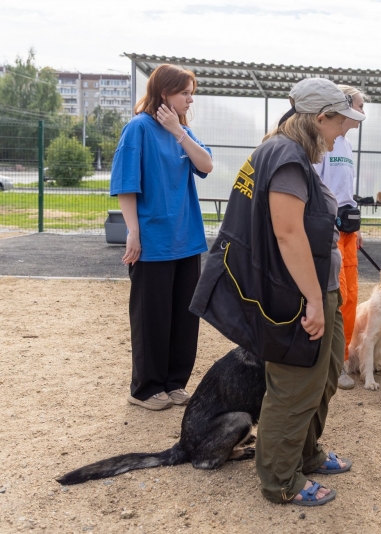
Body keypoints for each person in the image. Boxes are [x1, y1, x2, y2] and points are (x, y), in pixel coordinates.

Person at [192, 78, 364, 506]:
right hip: (296, 295)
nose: (344, 131)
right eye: (341, 122)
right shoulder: (287, 157)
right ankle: (280, 481)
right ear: (319, 118)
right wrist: (311, 300)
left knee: (322, 378)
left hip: (314, 285)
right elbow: (287, 234)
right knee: (294, 388)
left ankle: (305, 454)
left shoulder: (284, 151)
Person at [110, 64, 213, 411]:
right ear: (164, 92)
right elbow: (126, 185)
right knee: (151, 316)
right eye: (184, 91)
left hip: (187, 238)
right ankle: (144, 388)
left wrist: (179, 131)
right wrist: (133, 233)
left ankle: (174, 383)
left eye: (190, 91)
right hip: (152, 240)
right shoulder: (137, 129)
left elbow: (207, 165)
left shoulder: (181, 130)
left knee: (184, 316)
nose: (190, 97)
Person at [313, 85, 368, 390]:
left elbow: (346, 189)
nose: (363, 112)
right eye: (360, 105)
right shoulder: (325, 143)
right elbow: (318, 186)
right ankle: (332, 362)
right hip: (328, 227)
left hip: (348, 228)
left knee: (352, 295)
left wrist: (355, 225)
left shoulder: (345, 145)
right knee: (337, 295)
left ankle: (344, 358)